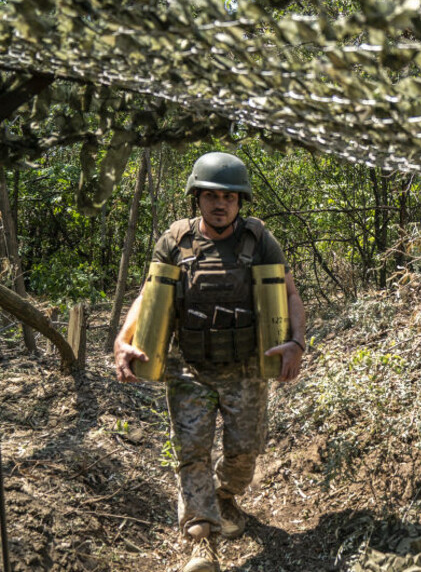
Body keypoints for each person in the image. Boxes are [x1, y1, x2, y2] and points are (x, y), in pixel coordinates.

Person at [112, 152, 306, 572]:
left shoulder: (258, 240)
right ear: (196, 198)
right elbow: (148, 296)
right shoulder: (176, 241)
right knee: (192, 452)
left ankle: (224, 495)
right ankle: (203, 539)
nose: (221, 205)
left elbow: (288, 292)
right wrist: (123, 340)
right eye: (212, 196)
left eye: (231, 198)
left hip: (246, 370)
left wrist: (296, 342)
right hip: (189, 368)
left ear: (240, 202)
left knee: (245, 454)